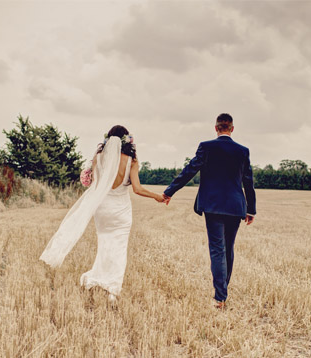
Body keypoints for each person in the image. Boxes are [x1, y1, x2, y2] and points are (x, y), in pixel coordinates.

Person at [40, 125, 165, 301]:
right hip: (121, 210)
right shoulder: (131, 160)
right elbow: (137, 189)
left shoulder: (98, 158)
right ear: (126, 140)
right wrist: (156, 197)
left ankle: (98, 278)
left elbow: (95, 184)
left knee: (104, 245)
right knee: (118, 249)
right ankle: (112, 290)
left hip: (102, 209)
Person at [163, 113, 256, 309]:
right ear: (232, 128)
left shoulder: (206, 147)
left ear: (216, 128)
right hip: (235, 206)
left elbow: (189, 170)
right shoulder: (243, 151)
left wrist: (170, 191)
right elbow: (248, 181)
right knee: (228, 248)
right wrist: (251, 209)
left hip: (213, 205)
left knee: (217, 249)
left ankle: (220, 297)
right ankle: (222, 292)